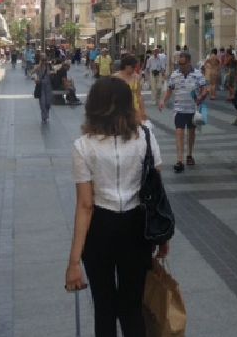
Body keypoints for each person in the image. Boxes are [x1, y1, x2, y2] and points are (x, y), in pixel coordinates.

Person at [65, 77, 168, 336]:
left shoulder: (83, 146)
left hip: (99, 228)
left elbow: (85, 205)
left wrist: (74, 261)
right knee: (132, 307)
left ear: (93, 106)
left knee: (104, 307)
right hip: (136, 228)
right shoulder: (146, 136)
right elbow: (155, 190)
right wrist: (162, 235)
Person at [159, 51, 208, 173]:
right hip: (179, 109)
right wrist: (163, 101)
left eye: (183, 64)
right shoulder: (175, 74)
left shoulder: (198, 74)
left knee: (191, 133)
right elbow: (170, 90)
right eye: (179, 64)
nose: (180, 66)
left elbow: (204, 89)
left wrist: (202, 96)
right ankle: (179, 160)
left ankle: (189, 154)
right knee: (179, 132)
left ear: (189, 62)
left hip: (193, 109)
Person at [116, 54, 147, 122]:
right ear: (126, 66)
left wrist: (143, 111)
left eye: (135, 67)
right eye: (133, 67)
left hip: (135, 109)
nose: (134, 69)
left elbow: (139, 95)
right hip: (120, 109)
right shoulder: (116, 77)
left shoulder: (136, 77)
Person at [34, 53, 54, 123]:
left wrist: (52, 73)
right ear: (40, 60)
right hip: (41, 86)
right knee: (42, 103)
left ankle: (47, 113)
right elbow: (33, 74)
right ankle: (43, 117)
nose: (44, 61)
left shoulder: (49, 66)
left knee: (48, 102)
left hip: (48, 86)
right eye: (42, 60)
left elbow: (54, 72)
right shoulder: (37, 67)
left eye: (45, 60)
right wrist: (35, 79)